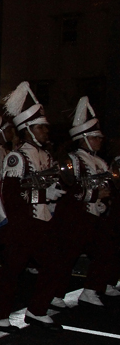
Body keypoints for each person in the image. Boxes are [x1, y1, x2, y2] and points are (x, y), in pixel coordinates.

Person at [0, 81, 65, 331]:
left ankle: (37, 310)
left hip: (42, 223)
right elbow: (11, 197)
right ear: (29, 129)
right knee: (11, 273)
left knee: (54, 266)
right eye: (41, 128)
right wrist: (44, 196)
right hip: (21, 226)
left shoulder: (46, 155)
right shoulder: (17, 157)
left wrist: (50, 195)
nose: (46, 132)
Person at [45, 97, 117, 308]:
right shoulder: (72, 160)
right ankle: (55, 294)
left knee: (106, 249)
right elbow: (68, 189)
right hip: (74, 216)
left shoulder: (101, 161)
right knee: (67, 256)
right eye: (94, 137)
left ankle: (92, 288)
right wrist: (94, 195)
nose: (99, 141)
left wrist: (105, 197)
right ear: (83, 138)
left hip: (95, 215)